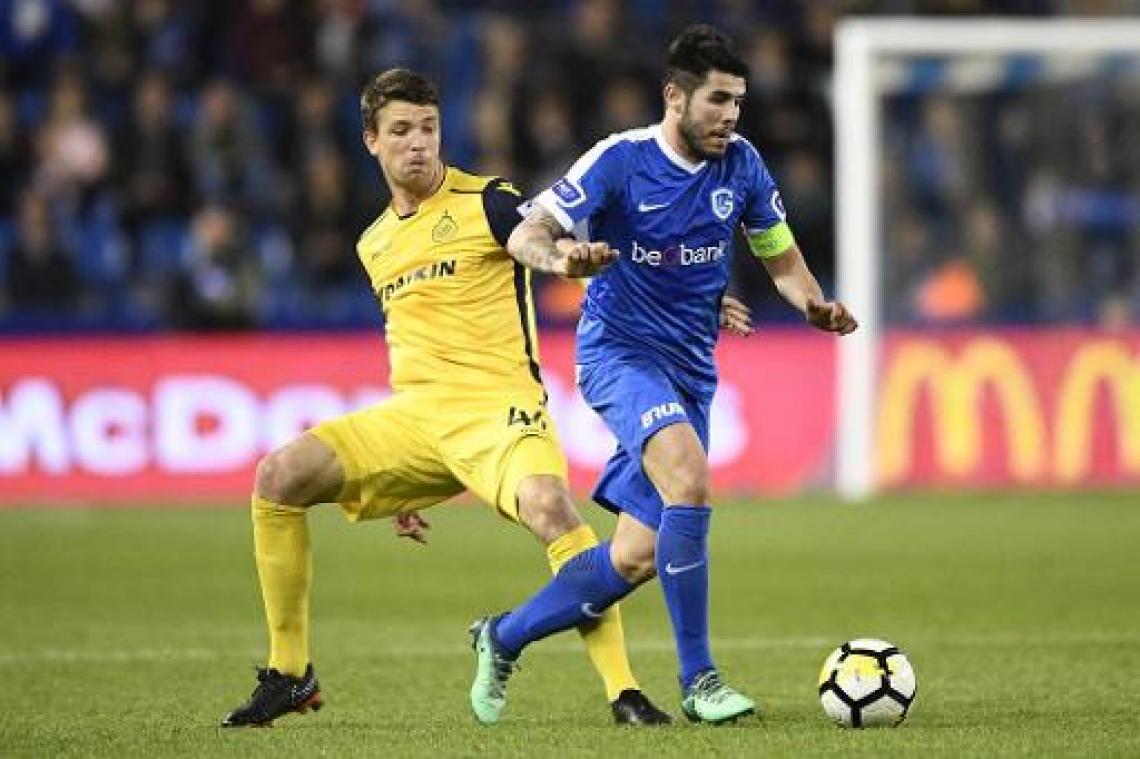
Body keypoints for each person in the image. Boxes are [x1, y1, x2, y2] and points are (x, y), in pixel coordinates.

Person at [221, 68, 671, 728]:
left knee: (551, 507)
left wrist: (562, 260)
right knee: (278, 476)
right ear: (371, 140)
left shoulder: (487, 200)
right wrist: (403, 485)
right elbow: (411, 337)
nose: (418, 143)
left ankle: (623, 689)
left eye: (428, 128)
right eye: (400, 130)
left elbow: (529, 238)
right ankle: (290, 672)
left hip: (498, 409)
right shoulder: (373, 242)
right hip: (415, 417)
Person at [469, 25, 856, 725]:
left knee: (635, 557)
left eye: (737, 102)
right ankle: (700, 678)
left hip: (690, 369)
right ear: (674, 97)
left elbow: (779, 253)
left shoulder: (742, 166)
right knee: (690, 477)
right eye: (716, 101)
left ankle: (501, 635)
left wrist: (812, 304)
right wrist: (560, 261)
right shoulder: (620, 161)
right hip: (618, 356)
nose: (730, 116)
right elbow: (526, 230)